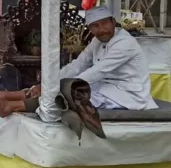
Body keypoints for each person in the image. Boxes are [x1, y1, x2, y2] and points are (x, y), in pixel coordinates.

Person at [27, 6, 157, 111]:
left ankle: (15, 105)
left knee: (65, 98)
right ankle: (11, 99)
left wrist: (55, 87)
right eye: (95, 26)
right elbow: (77, 65)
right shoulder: (97, 41)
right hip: (106, 89)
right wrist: (48, 84)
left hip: (128, 95)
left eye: (105, 23)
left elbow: (98, 71)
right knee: (54, 93)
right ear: (90, 29)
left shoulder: (125, 43)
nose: (102, 30)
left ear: (113, 22)